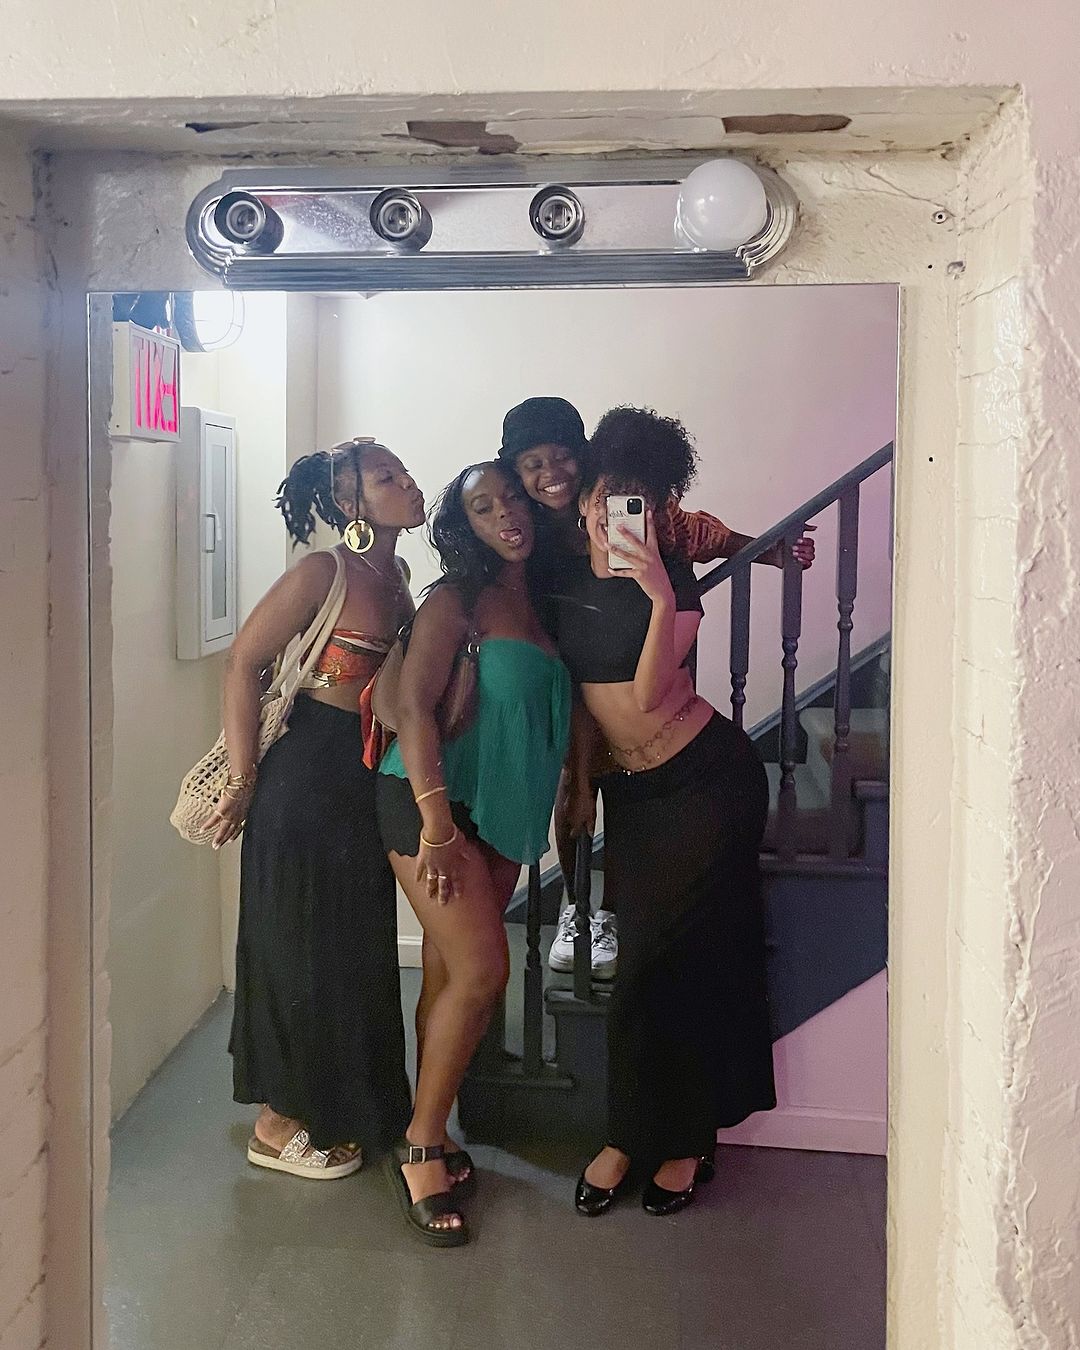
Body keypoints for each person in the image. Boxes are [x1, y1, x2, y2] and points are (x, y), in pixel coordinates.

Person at [540, 406, 777, 1217]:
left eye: (636, 502)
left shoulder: (669, 578)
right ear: (585, 498)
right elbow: (576, 698)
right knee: (646, 966)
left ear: (657, 506)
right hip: (635, 797)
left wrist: (655, 591)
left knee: (678, 964)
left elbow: (645, 695)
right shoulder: (556, 577)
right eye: (607, 497)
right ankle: (636, 1134)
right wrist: (577, 781)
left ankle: (676, 1141)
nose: (617, 516)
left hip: (707, 782)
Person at [497, 396, 814, 978]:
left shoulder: (644, 517)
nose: (551, 474)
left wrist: (772, 550)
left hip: (654, 694)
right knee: (576, 786)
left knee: (627, 799)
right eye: (532, 463)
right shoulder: (528, 535)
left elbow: (705, 535)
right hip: (573, 685)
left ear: (584, 461)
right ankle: (577, 907)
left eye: (562, 457)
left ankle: (608, 914)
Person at [205, 438, 424, 1179]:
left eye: (404, 472)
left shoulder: (396, 573)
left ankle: (343, 1104)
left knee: (348, 944)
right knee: (295, 943)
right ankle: (276, 1124)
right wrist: (242, 779)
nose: (408, 483)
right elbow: (243, 662)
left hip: (362, 775)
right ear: (351, 503)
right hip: (306, 774)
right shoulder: (322, 572)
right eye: (387, 478)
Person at [375, 462, 571, 1246]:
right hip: (433, 802)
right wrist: (435, 824)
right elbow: (414, 707)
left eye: (512, 499)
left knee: (451, 971)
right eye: (484, 508)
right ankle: (422, 1146)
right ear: (467, 527)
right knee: (486, 969)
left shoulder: (541, 599)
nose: (506, 515)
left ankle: (432, 1122)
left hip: (500, 806)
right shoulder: (454, 597)